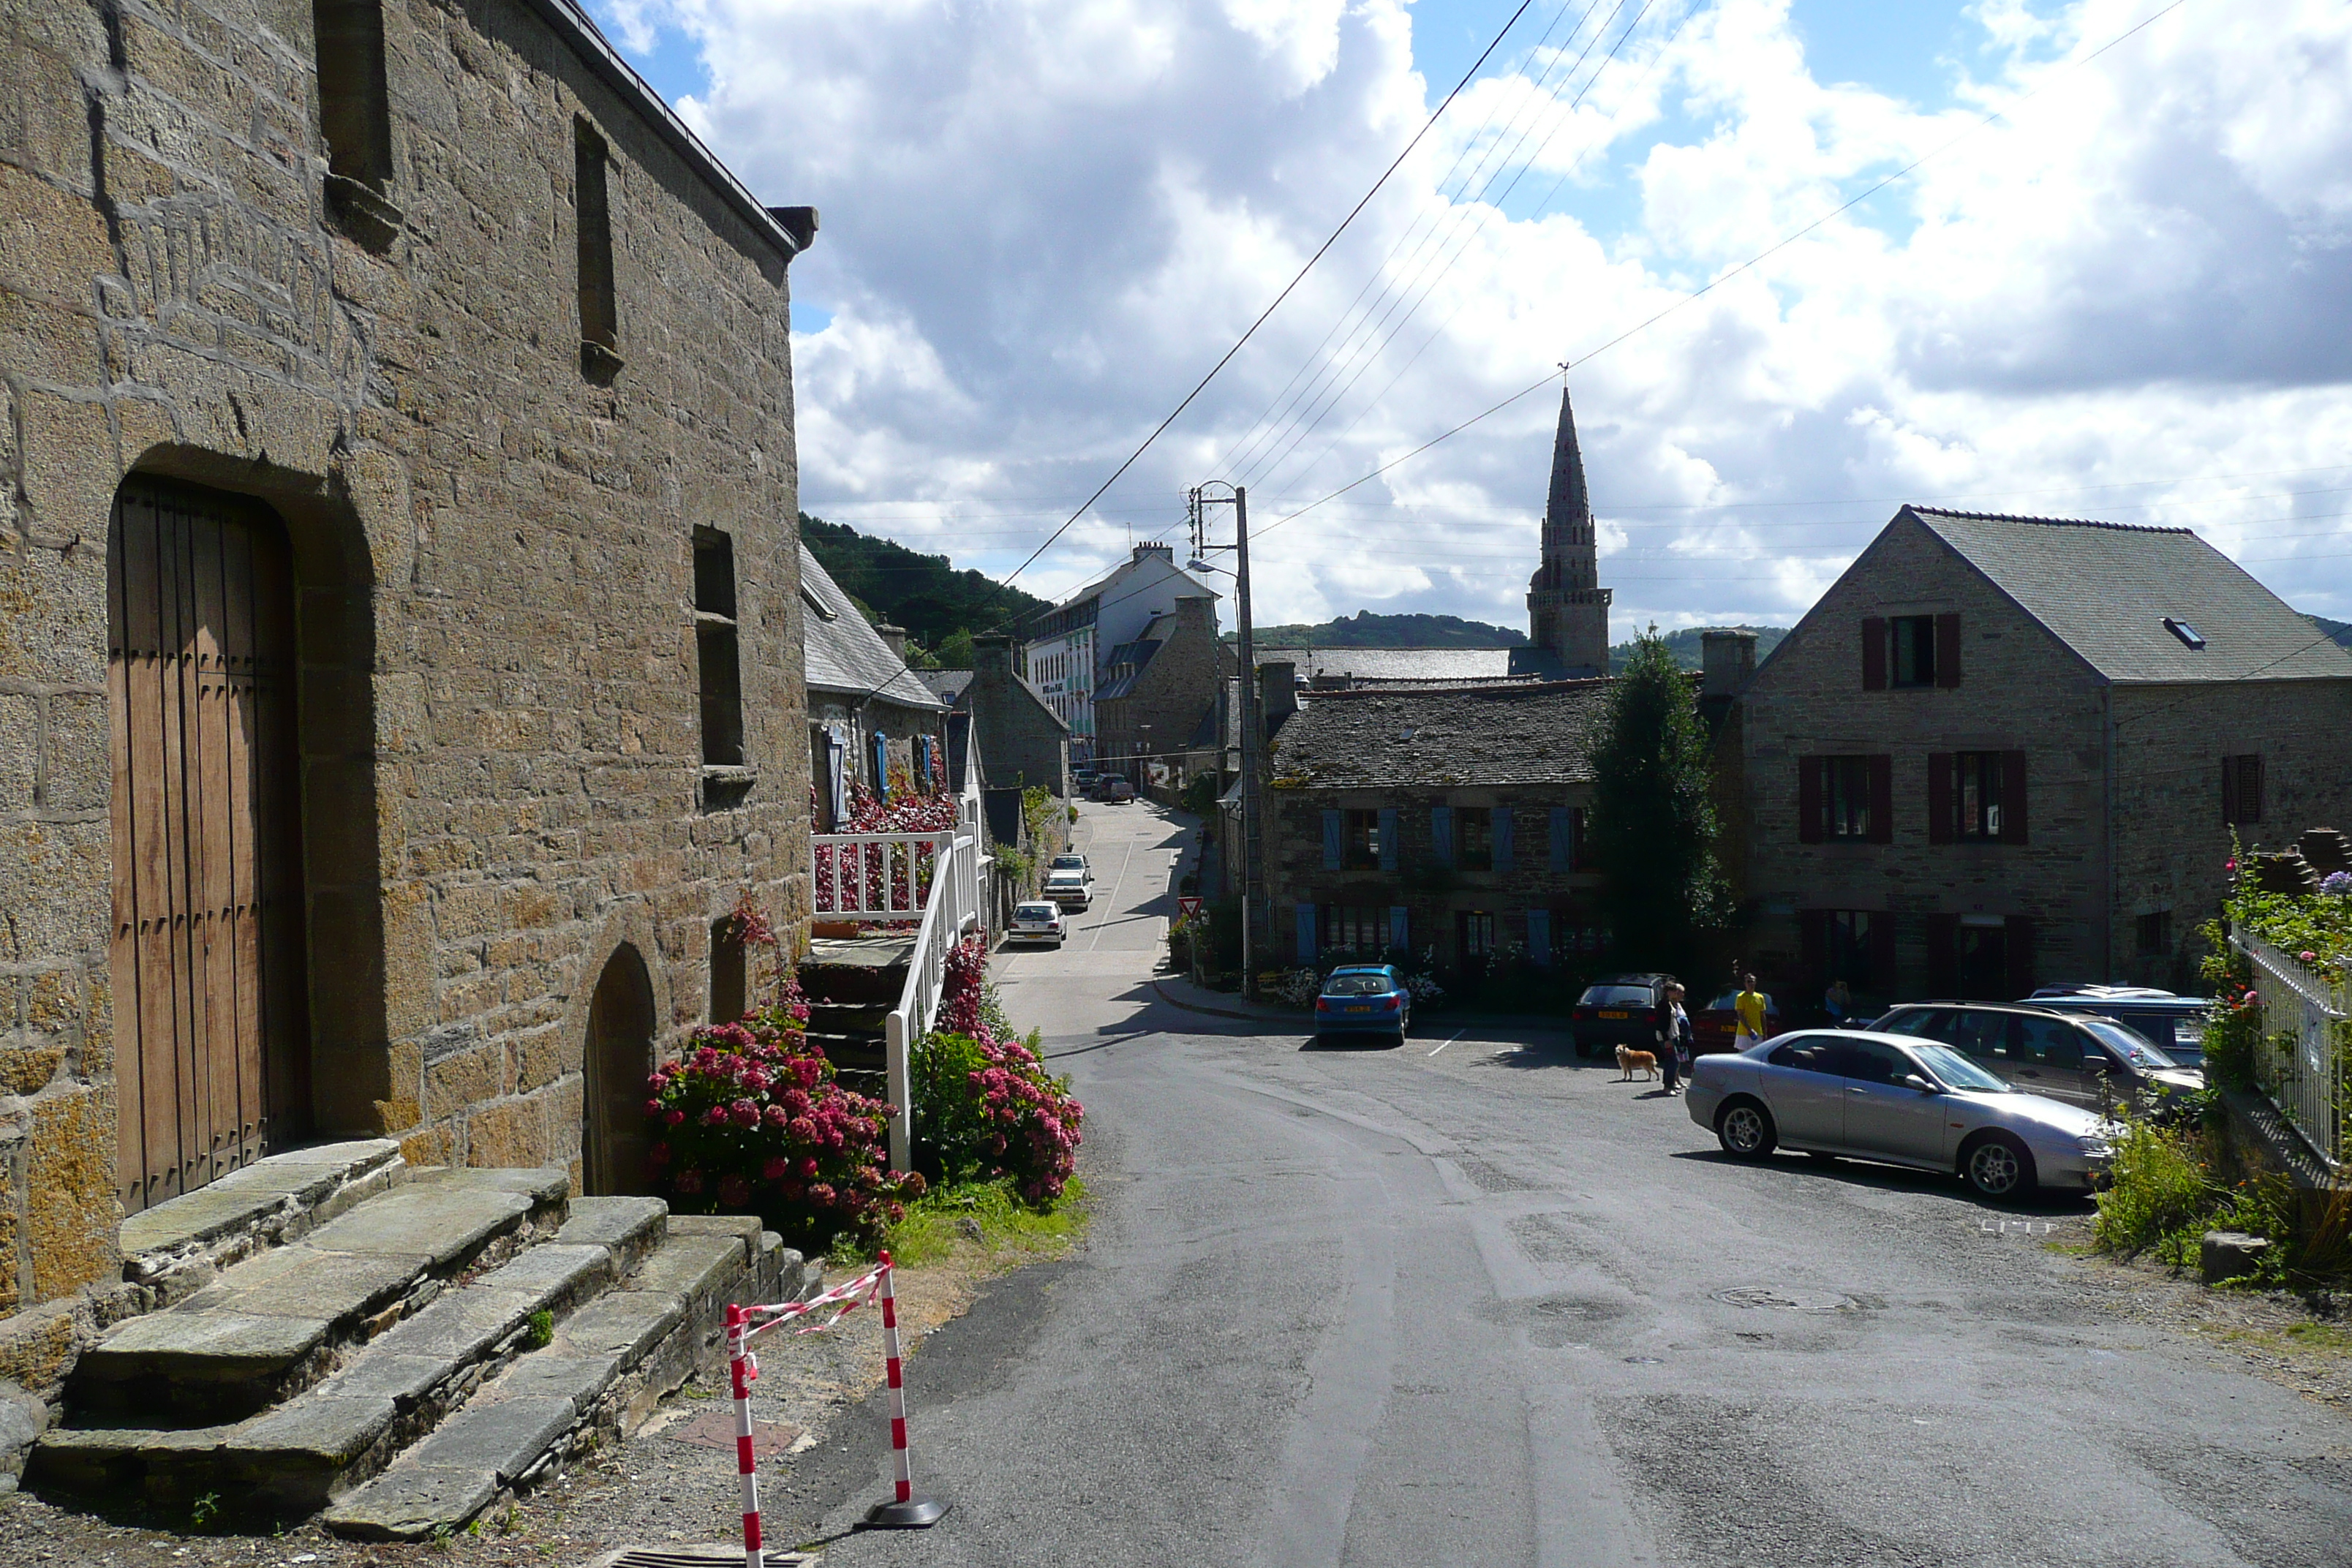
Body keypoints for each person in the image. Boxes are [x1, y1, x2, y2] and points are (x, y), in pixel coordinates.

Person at [1660, 981, 1693, 1095]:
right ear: (1669, 992)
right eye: (1675, 991)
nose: (1677, 993)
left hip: (1673, 1035)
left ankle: (1669, 1085)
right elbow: (1661, 1025)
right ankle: (1668, 1087)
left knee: (1672, 1060)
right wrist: (1666, 1040)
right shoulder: (1663, 1005)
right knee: (1673, 1061)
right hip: (1668, 1037)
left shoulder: (1669, 1003)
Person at [1733, 973, 1769, 1052]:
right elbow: (1741, 1015)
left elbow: (1762, 1016)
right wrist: (1750, 1029)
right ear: (1745, 984)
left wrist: (1765, 1033)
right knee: (1743, 1057)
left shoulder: (1760, 997)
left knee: (1757, 1056)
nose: (1751, 984)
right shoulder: (1741, 997)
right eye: (1748, 982)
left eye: (1752, 981)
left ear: (1755, 982)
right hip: (1744, 1033)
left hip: (1758, 1033)